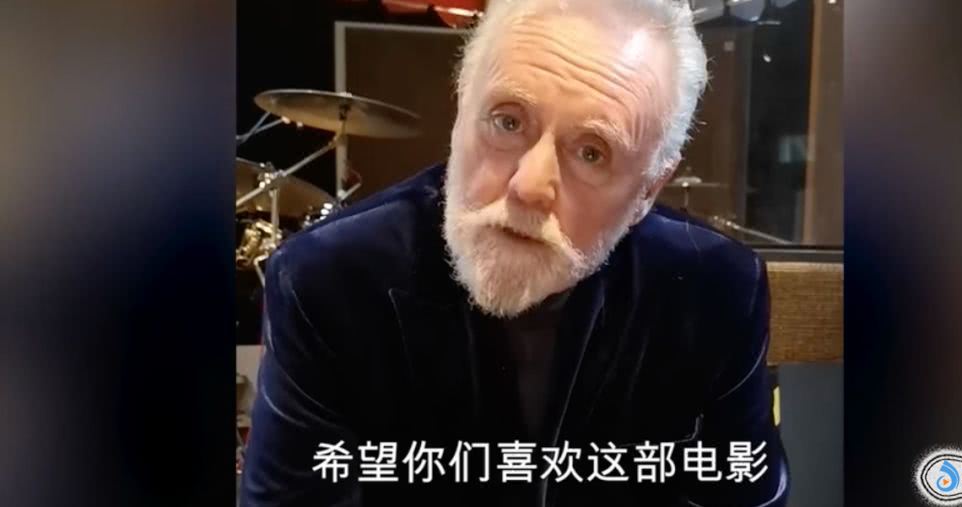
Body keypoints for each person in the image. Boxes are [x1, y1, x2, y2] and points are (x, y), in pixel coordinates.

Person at [240, 0, 789, 505]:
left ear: (648, 190)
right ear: (461, 105)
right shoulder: (327, 280)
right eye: (508, 122)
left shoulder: (716, 290)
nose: (529, 186)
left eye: (592, 153)